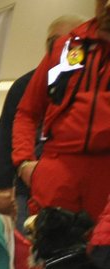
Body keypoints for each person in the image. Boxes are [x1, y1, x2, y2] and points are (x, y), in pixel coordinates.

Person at [11, 0, 110, 222]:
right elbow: (27, 112)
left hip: (104, 179)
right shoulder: (69, 48)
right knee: (48, 253)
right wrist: (24, 163)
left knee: (102, 254)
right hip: (58, 175)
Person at [0, 14, 82, 216]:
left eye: (64, 40)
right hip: (30, 190)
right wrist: (15, 174)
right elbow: (9, 134)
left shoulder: (91, 82)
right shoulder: (25, 85)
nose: (57, 46)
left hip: (79, 189)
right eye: (52, 41)